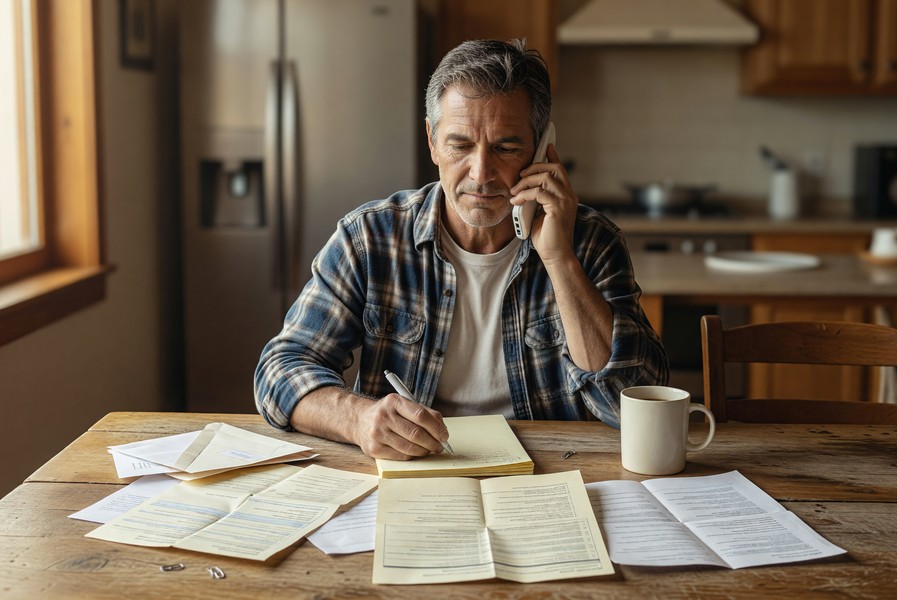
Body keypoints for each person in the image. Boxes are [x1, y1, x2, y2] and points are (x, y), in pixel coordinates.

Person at [254, 39, 668, 460]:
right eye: (460, 145)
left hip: (553, 477)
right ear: (432, 142)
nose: (482, 172)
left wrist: (560, 260)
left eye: (506, 147)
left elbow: (627, 403)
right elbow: (280, 372)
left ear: (542, 148)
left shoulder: (592, 243)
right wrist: (358, 419)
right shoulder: (371, 238)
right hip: (414, 473)